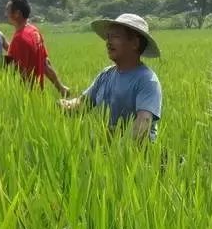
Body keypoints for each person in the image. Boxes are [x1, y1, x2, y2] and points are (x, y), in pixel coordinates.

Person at [60, 13, 163, 143]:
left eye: (115, 37)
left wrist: (116, 152)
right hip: (103, 152)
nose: (108, 42)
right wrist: (62, 105)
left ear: (135, 43)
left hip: (135, 157)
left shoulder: (147, 81)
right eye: (108, 37)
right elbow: (82, 104)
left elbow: (143, 124)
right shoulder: (106, 75)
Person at [4, 0, 70, 96]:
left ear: (17, 13)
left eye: (8, 11)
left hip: (24, 96)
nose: (6, 14)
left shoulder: (19, 39)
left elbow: (21, 72)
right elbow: (45, 63)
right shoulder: (34, 31)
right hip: (38, 93)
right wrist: (60, 87)